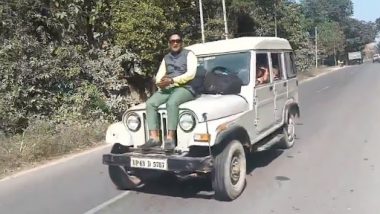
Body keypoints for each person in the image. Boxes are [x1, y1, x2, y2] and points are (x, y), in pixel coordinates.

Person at [139, 33, 197, 151]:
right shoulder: (166, 57)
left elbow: (191, 74)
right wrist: (160, 83)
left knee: (172, 103)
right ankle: (154, 138)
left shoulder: (189, 55)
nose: (175, 43)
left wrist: (172, 80)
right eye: (172, 41)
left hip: (185, 87)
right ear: (169, 43)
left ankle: (170, 138)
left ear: (181, 42)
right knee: (150, 103)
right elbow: (159, 75)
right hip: (168, 87)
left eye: (177, 41)